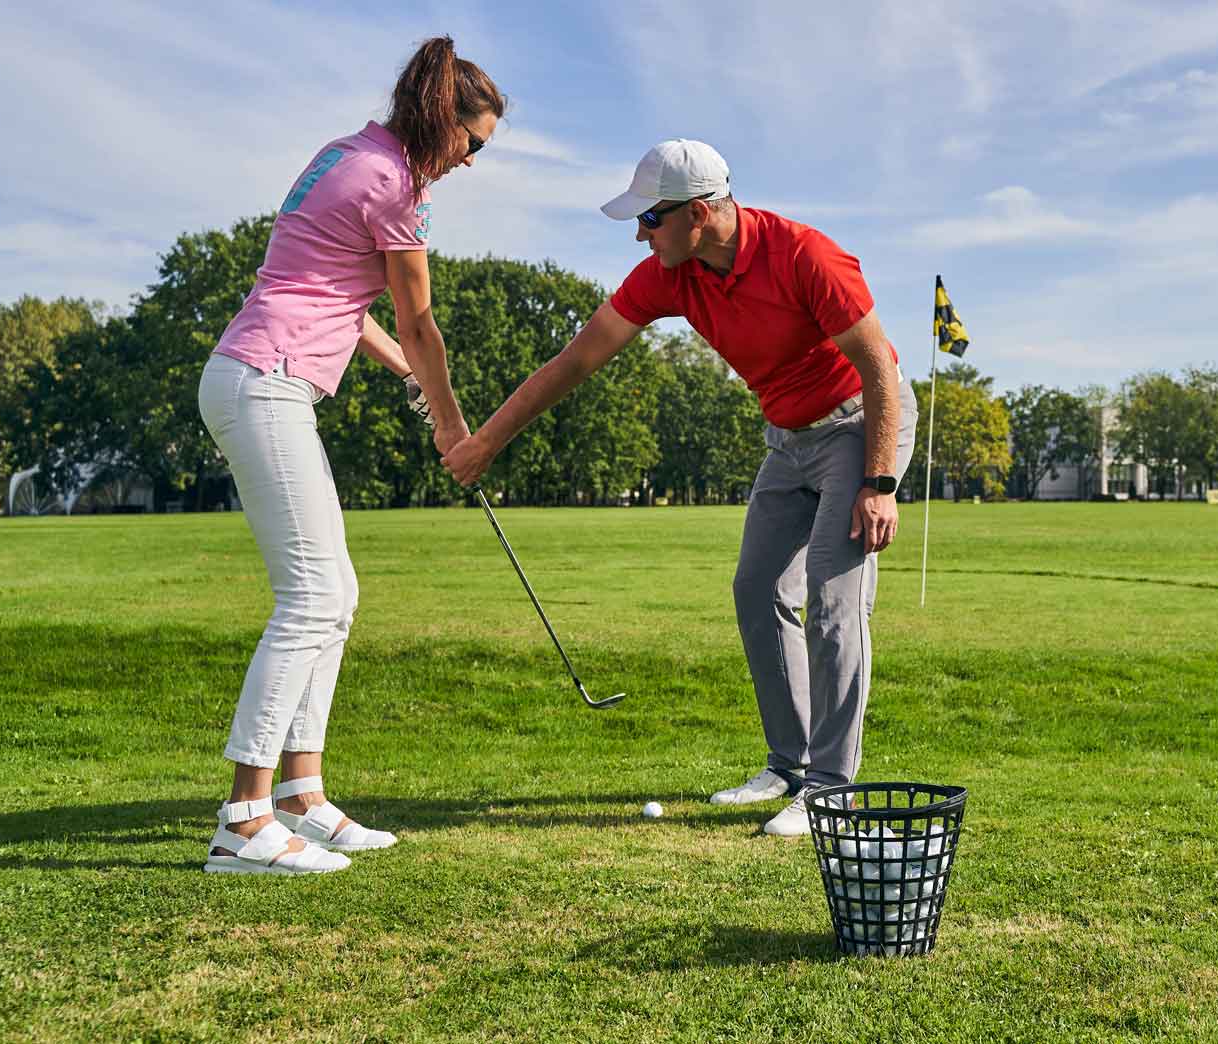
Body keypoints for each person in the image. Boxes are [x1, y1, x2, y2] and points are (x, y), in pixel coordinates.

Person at [444, 139, 916, 836]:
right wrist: (487, 440)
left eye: (650, 219)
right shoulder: (671, 274)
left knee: (832, 598)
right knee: (756, 589)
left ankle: (831, 789)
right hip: (787, 438)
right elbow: (577, 359)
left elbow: (877, 365)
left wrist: (879, 483)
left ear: (698, 214)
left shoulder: (805, 255)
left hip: (858, 426)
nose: (640, 234)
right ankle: (788, 766)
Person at [197, 37, 503, 874]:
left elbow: (338, 297)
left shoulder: (347, 154)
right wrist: (452, 427)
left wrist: (408, 375)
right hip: (266, 379)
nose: (471, 161)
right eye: (472, 143)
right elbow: (419, 321)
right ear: (441, 120)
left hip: (256, 375)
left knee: (337, 594)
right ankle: (243, 821)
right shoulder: (396, 184)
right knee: (311, 598)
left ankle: (302, 797)